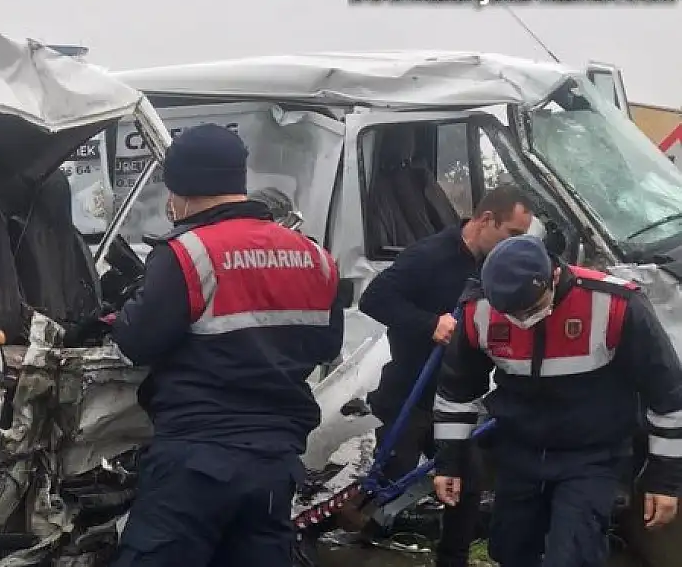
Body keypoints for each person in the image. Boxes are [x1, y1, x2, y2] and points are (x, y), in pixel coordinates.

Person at [107, 123, 345, 567]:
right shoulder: (315, 256)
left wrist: (115, 317)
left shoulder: (187, 253)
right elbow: (325, 344)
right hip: (277, 461)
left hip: (198, 459)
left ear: (180, 188)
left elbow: (137, 341)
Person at [433, 235, 682, 567]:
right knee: (510, 551)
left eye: (531, 309)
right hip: (518, 452)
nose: (523, 320)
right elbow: (456, 394)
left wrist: (664, 480)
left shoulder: (616, 305)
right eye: (511, 314)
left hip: (591, 456)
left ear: (553, 275)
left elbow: (669, 396)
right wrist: (449, 463)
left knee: (572, 556)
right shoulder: (478, 310)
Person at [358, 184, 534, 567]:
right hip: (410, 393)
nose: (515, 247)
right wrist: (428, 323)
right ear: (486, 220)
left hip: (456, 399)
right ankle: (357, 546)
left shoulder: (495, 267)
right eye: (512, 235)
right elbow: (373, 298)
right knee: (385, 489)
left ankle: (452, 560)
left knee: (466, 485)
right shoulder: (429, 255)